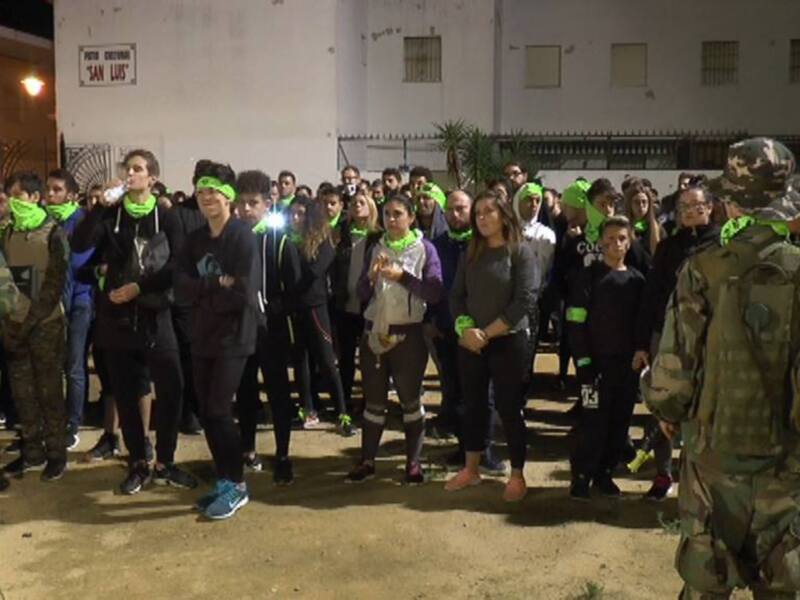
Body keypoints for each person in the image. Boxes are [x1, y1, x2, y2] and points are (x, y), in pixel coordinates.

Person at [643, 138, 800, 599]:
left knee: (706, 584)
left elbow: (674, 371)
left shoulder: (702, 270)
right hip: (787, 463)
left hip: (714, 460)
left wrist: (666, 409)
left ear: (730, 203)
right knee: (783, 587)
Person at [71, 149, 194, 495]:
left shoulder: (166, 216)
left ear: (152, 178)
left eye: (138, 169)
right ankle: (138, 462)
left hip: (156, 315)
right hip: (118, 318)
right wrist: (100, 206)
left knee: (171, 388)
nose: (131, 173)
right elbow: (79, 244)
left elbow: (179, 264)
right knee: (125, 393)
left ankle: (165, 461)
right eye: (128, 168)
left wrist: (141, 287)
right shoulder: (112, 215)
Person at [175, 161, 257, 519]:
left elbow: (242, 291)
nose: (206, 197)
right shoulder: (194, 239)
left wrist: (203, 292)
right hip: (202, 335)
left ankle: (237, 485)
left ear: (228, 197)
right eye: (201, 191)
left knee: (220, 410)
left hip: (234, 336)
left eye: (213, 191)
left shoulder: (241, 236)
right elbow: (180, 287)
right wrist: (213, 284)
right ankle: (223, 480)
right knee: (207, 413)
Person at [345, 193, 443, 484]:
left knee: (409, 400)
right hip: (375, 330)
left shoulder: (424, 248)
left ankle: (413, 463)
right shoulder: (376, 246)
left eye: (398, 213)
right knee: (373, 402)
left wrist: (402, 277)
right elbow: (361, 293)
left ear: (411, 217)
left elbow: (435, 292)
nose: (391, 219)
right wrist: (372, 277)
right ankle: (367, 461)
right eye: (387, 213)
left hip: (408, 333)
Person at [445, 189, 535, 502]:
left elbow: (525, 299)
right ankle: (471, 468)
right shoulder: (471, 253)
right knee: (473, 405)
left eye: (488, 212)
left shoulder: (520, 252)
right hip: (472, 342)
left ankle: (517, 474)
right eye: (478, 214)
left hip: (508, 340)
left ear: (504, 216)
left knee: (509, 407)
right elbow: (456, 296)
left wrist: (487, 333)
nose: (482, 218)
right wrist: (465, 328)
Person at [633, 183, 718, 501]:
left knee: (706, 409)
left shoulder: (723, 245)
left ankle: (698, 478)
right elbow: (651, 294)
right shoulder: (668, 248)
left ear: (710, 207)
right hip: (668, 336)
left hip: (711, 339)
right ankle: (663, 473)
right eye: (683, 208)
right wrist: (643, 342)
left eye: (696, 206)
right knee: (665, 403)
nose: (690, 212)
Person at [566, 216, 645, 501]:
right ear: (600, 242)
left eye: (622, 238)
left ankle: (605, 474)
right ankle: (581, 476)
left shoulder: (637, 280)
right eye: (610, 238)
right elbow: (575, 322)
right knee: (591, 423)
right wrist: (584, 362)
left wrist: (640, 352)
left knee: (619, 423)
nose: (616, 244)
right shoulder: (587, 277)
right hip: (594, 368)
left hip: (626, 368)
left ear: (630, 242)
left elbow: (642, 324)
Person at [1, 172, 68, 482]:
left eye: (19, 196)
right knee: (22, 391)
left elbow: (54, 284)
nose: (13, 201)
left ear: (35, 197)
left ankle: (56, 454)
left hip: (45, 325)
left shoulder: (54, 232)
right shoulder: (7, 232)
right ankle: (32, 452)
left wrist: (30, 320)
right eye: (10, 196)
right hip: (14, 325)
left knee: (49, 391)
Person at [234, 170, 300, 484]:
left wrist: (270, 309)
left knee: (278, 393)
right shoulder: (232, 238)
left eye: (253, 203)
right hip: (239, 331)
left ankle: (283, 454)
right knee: (245, 392)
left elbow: (295, 289)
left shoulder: (279, 240)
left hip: (271, 331)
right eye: (242, 203)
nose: (246, 209)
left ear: (267, 203)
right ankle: (247, 449)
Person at [288, 196, 354, 435]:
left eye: (300, 214)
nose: (295, 218)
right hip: (294, 308)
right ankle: (308, 409)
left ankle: (342, 411)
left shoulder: (322, 241)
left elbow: (313, 273)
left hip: (315, 306)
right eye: (292, 214)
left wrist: (292, 284)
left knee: (326, 360)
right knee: (300, 360)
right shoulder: (286, 241)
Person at [44, 169, 95, 451]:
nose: (51, 194)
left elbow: (78, 263)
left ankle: (72, 424)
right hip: (49, 304)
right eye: (48, 189)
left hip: (79, 301)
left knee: (74, 366)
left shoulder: (82, 221)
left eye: (57, 190)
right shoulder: (44, 220)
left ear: (72, 195)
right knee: (51, 367)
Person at [332, 190, 381, 416]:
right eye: (353, 203)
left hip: (368, 306)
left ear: (371, 207)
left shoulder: (378, 237)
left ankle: (369, 400)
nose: (357, 206)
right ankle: (343, 401)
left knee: (369, 358)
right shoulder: (342, 235)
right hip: (345, 305)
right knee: (346, 357)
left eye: (362, 202)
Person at [624, 178, 664, 257]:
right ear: (630, 204)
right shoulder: (623, 226)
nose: (641, 206)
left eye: (644, 202)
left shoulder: (657, 228)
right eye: (636, 202)